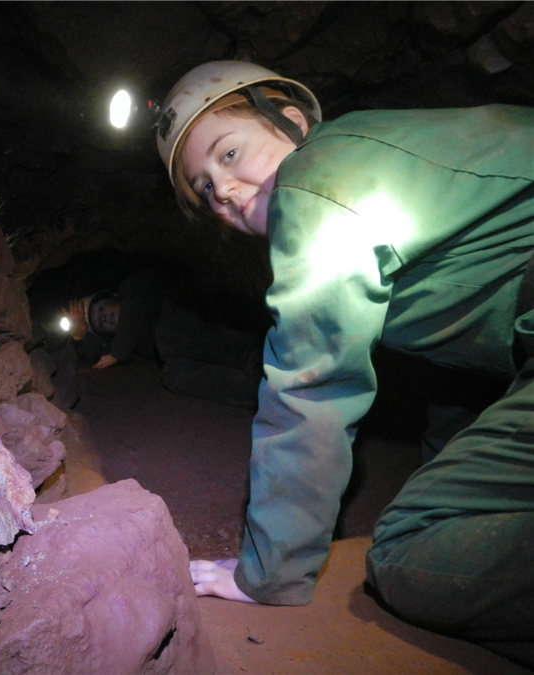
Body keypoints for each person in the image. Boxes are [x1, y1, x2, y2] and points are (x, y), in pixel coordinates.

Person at [154, 60, 534, 662]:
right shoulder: (378, 161)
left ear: (292, 121)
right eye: (205, 187)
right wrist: (453, 474)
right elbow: (459, 371)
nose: (221, 190)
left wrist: (269, 572)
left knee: (412, 553)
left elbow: (312, 385)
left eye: (228, 153)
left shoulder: (317, 183)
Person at [66, 269, 265, 410]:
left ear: (112, 296)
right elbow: (92, 354)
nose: (105, 317)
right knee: (172, 378)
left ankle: (255, 356)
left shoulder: (132, 288)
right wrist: (79, 336)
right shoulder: (127, 343)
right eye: (100, 323)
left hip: (195, 318)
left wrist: (118, 352)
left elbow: (136, 302)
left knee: (167, 334)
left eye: (101, 308)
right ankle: (253, 391)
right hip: (173, 352)